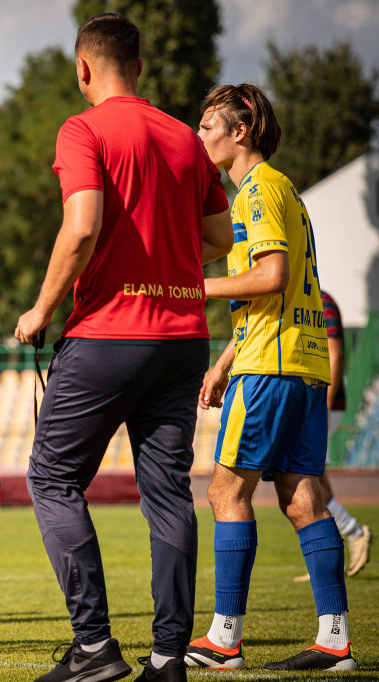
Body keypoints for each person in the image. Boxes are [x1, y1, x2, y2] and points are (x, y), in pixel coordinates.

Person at [14, 13, 233, 682]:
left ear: (83, 68)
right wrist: (162, 255)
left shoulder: (82, 129)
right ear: (137, 67)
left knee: (51, 478)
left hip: (109, 333)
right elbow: (221, 239)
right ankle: (169, 658)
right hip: (183, 338)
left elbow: (80, 229)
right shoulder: (183, 139)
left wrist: (40, 310)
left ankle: (94, 649)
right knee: (168, 493)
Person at [184, 84, 356, 672]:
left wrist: (192, 288)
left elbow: (272, 277)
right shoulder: (285, 191)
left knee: (225, 492)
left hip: (272, 369)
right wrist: (223, 361)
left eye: (209, 124)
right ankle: (335, 641)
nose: (200, 133)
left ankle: (224, 639)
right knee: (303, 498)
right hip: (299, 364)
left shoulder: (256, 190)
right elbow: (279, 294)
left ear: (241, 131)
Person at [291, 291, 373, 581]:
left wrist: (322, 407)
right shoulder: (300, 296)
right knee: (311, 477)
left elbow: (336, 355)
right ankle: (325, 558)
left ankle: (352, 532)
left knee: (303, 476)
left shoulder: (320, 299)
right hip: (309, 403)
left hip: (322, 404)